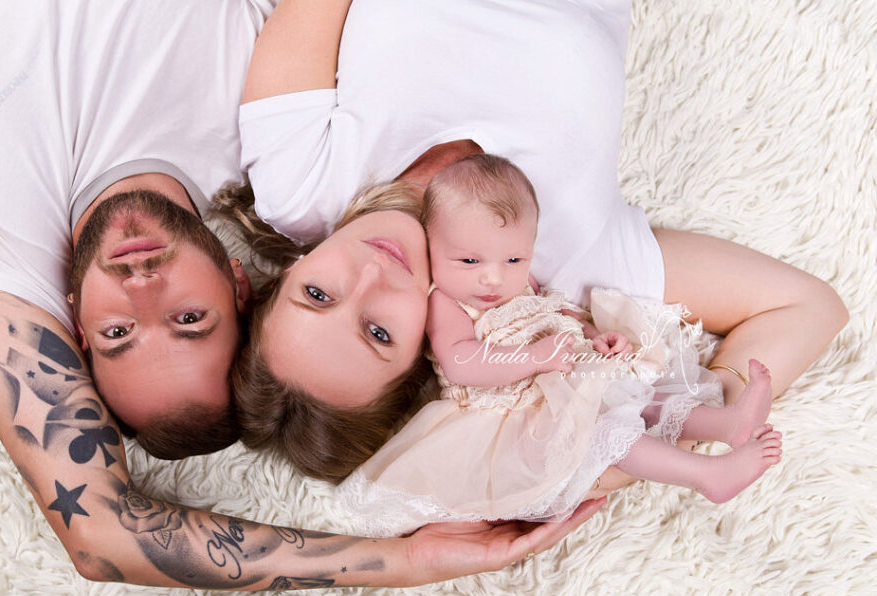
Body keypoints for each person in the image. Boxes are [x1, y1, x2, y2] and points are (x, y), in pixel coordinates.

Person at [0, 2, 594, 590]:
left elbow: (98, 534)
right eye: (187, 319)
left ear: (73, 324)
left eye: (119, 334)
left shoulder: (2, 242)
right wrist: (400, 558)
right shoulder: (274, 133)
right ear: (241, 284)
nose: (142, 291)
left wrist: (401, 564)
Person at [231, 0, 846, 488]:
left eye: (316, 293)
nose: (368, 277)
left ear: (283, 277)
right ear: (426, 359)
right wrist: (659, 439)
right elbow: (806, 307)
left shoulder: (300, 184)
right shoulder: (565, 268)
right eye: (378, 332)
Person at [337, 155, 784, 536]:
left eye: (513, 259)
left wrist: (595, 337)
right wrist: (534, 357)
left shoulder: (520, 284)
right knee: (608, 432)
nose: (492, 277)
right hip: (518, 415)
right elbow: (460, 362)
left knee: (646, 400)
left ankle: (728, 424)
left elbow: (555, 314)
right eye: (469, 260)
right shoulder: (447, 301)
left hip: (568, 381)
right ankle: (707, 475)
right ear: (432, 245)